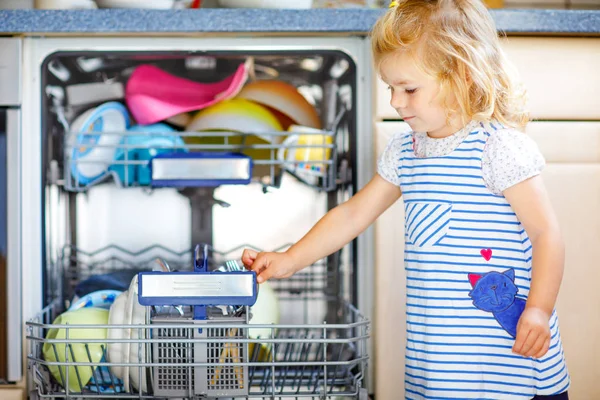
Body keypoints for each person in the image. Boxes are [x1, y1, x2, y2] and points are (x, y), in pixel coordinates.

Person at [242, 0, 570, 398]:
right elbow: (352, 214)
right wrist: (290, 259)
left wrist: (538, 308)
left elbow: (546, 234)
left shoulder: (497, 149)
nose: (396, 102)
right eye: (391, 88)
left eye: (409, 88)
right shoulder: (406, 152)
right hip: (441, 356)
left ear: (462, 77)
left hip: (507, 354)